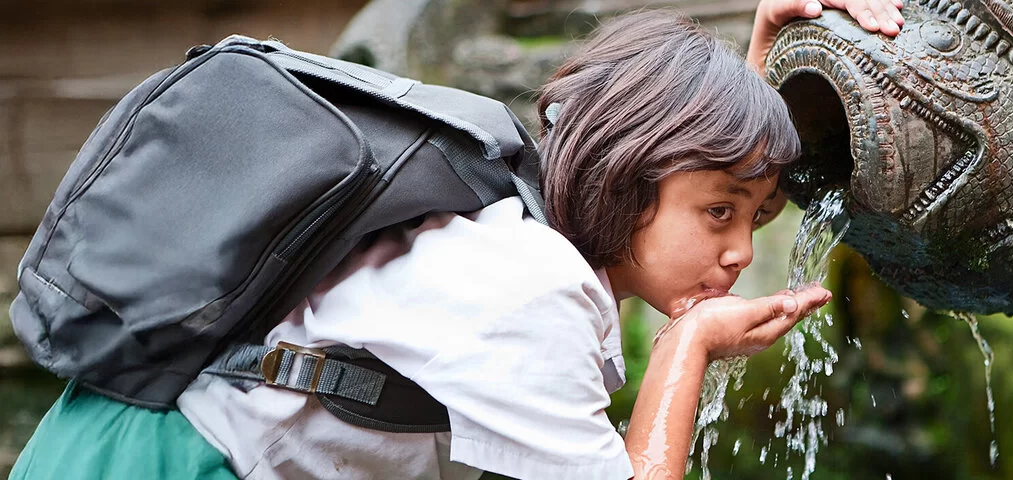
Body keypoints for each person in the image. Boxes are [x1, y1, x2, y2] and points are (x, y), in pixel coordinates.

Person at [10, 1, 903, 479]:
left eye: (756, 216)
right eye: (723, 213)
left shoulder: (517, 226)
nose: (745, 252)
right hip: (164, 462)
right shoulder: (531, 290)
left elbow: (683, 172)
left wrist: (751, 72)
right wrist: (690, 346)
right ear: (627, 178)